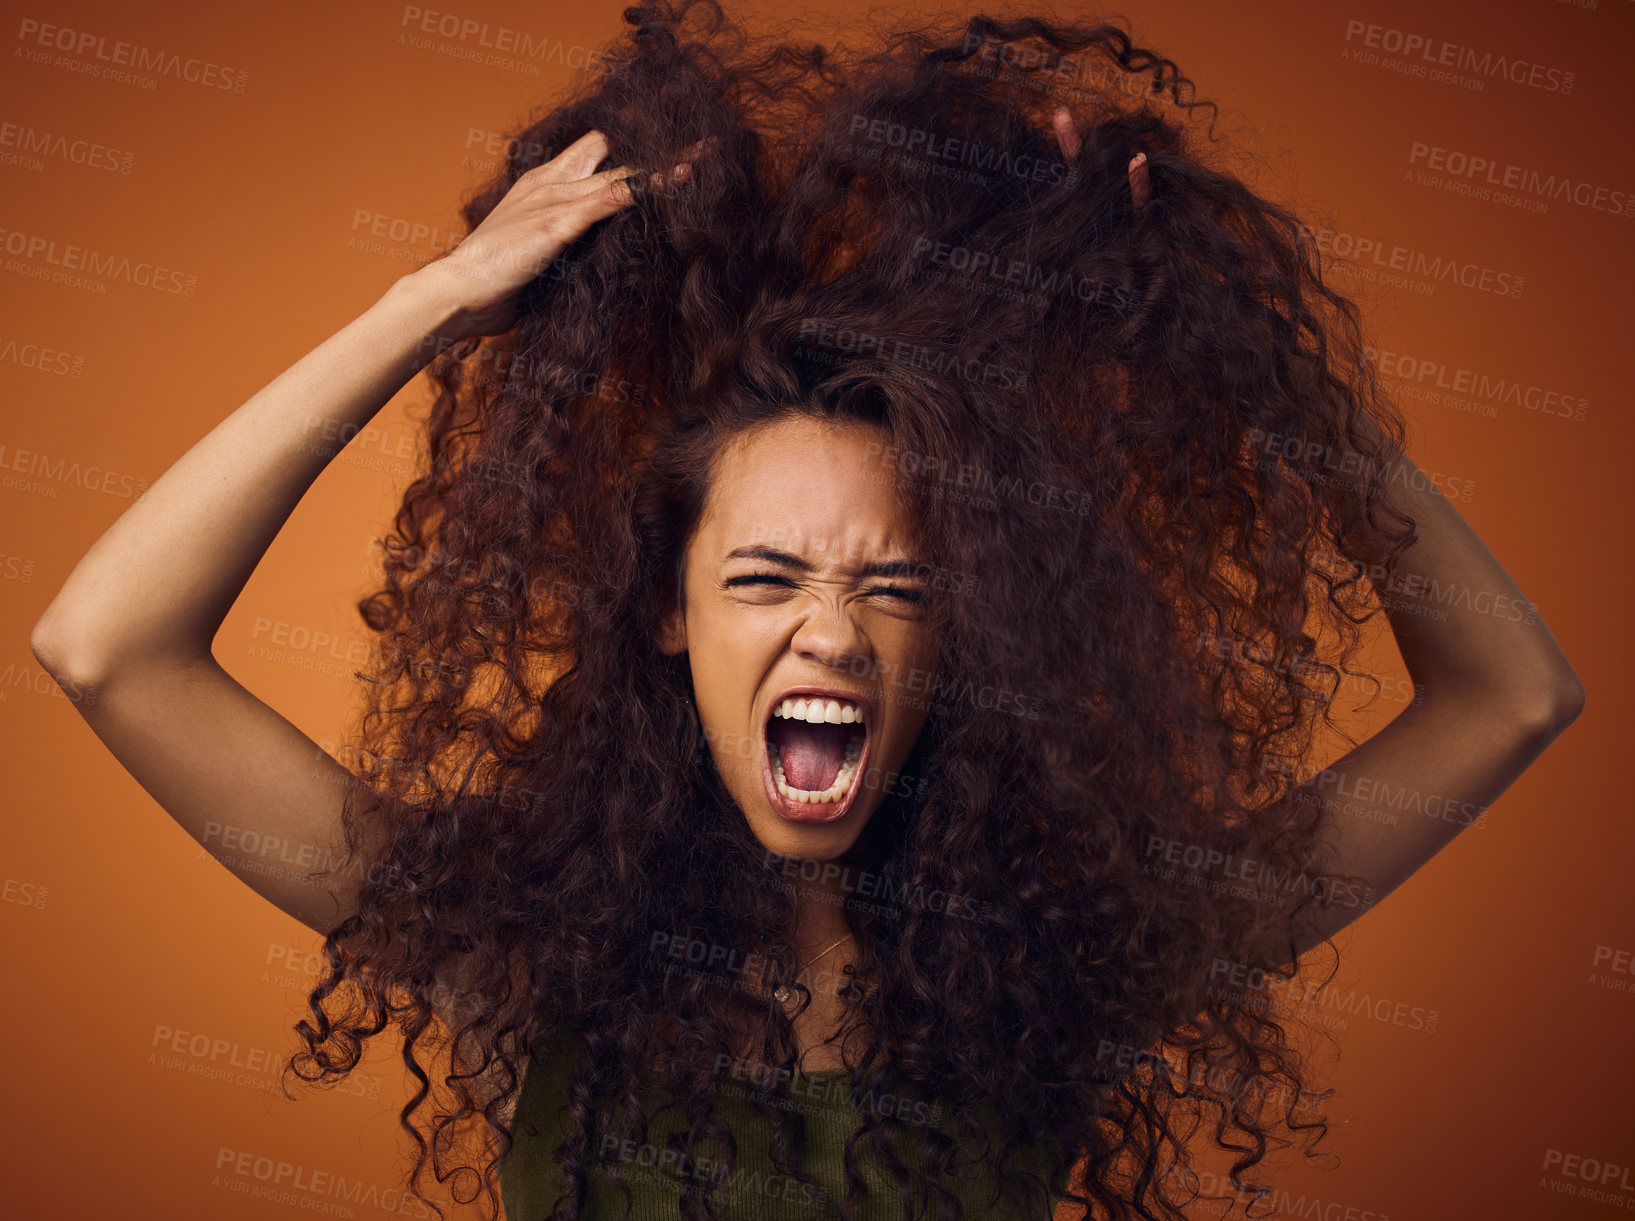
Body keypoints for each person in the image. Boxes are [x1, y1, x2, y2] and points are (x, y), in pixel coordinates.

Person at [30, 2, 1584, 1218]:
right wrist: (432, 304)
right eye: (766, 578)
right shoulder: (522, 960)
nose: (830, 630)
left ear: (956, 640)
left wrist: (1261, 366)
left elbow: (1510, 693)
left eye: (894, 588)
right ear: (668, 617)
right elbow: (106, 645)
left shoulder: (1069, 971)